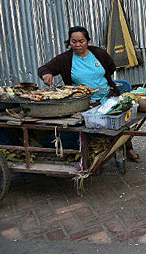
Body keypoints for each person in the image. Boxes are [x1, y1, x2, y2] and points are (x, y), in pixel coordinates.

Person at [37, 26, 140, 162]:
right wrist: (46, 74)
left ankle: (127, 148)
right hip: (82, 103)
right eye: (74, 42)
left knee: (120, 123)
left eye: (81, 41)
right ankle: (91, 155)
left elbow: (111, 67)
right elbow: (44, 68)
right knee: (87, 129)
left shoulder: (98, 53)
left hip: (107, 97)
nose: (78, 45)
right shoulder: (65, 59)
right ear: (69, 42)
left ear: (87, 41)